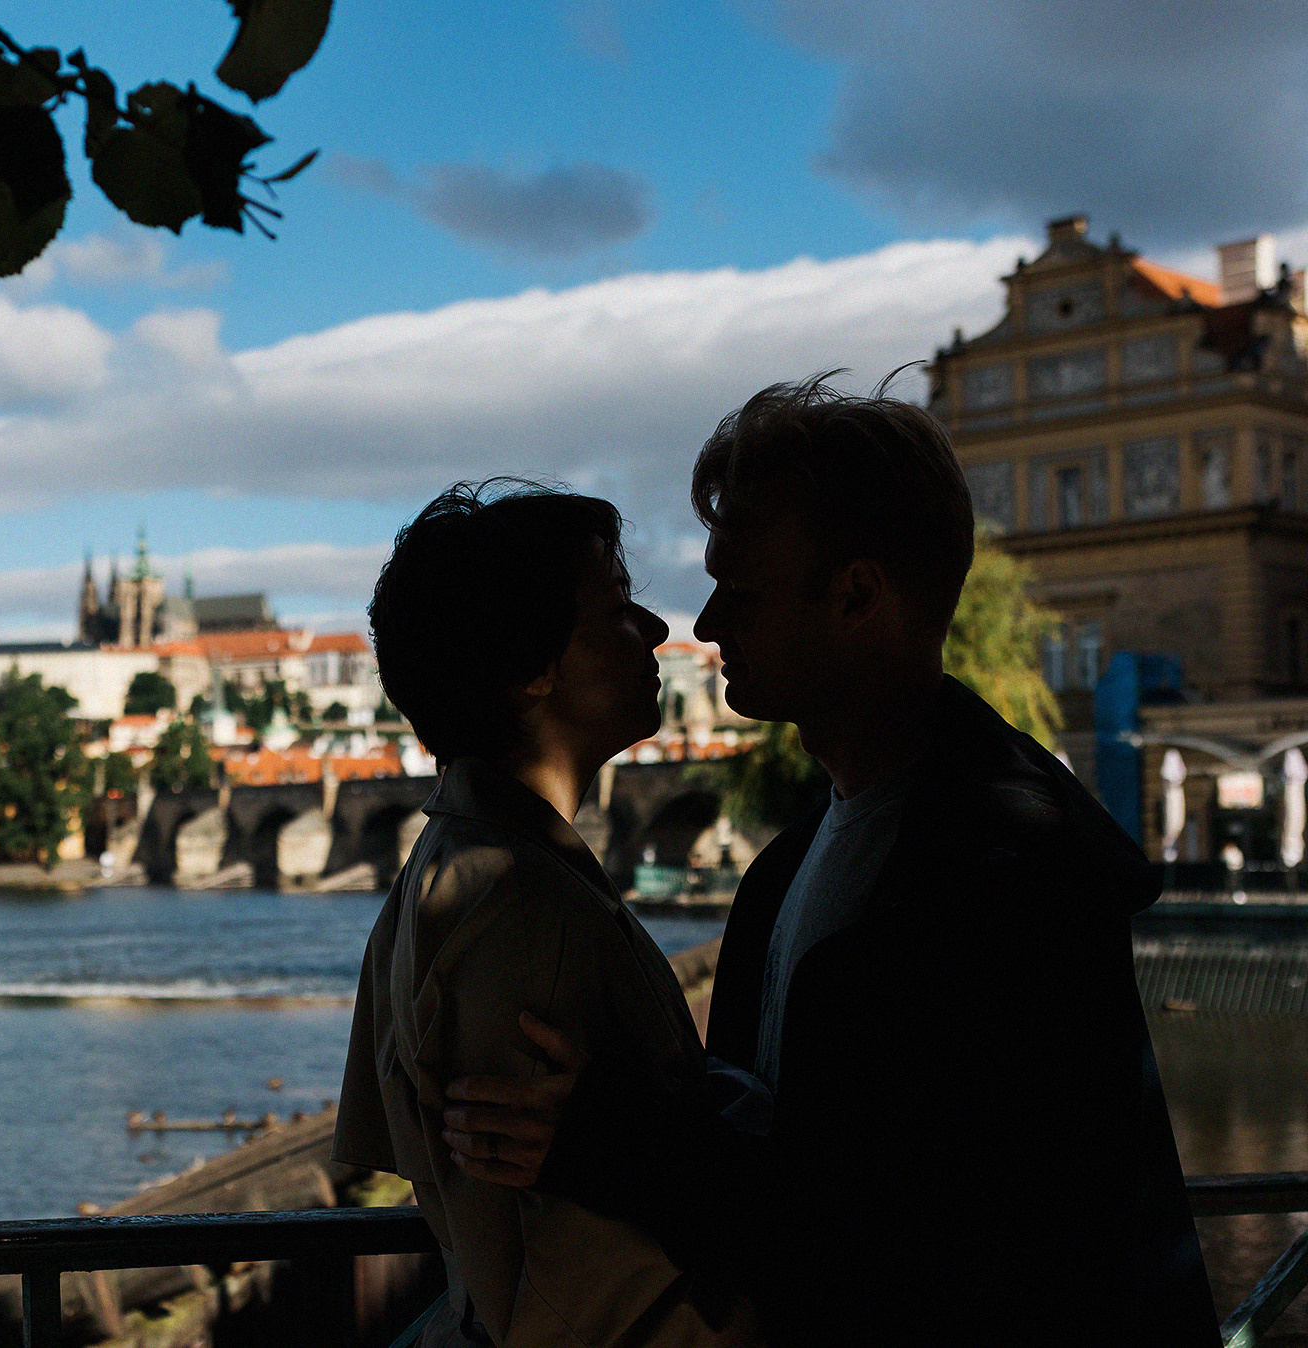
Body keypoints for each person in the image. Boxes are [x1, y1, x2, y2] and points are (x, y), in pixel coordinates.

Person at [438, 379, 1217, 1347]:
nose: (706, 623)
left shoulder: (1004, 875)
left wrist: (609, 1139)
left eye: (742, 588)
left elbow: (896, 1247)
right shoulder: (800, 861)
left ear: (855, 595)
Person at [333, 480, 759, 1347]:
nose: (657, 632)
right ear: (529, 671)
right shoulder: (515, 898)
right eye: (616, 610)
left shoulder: (460, 864)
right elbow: (545, 1283)